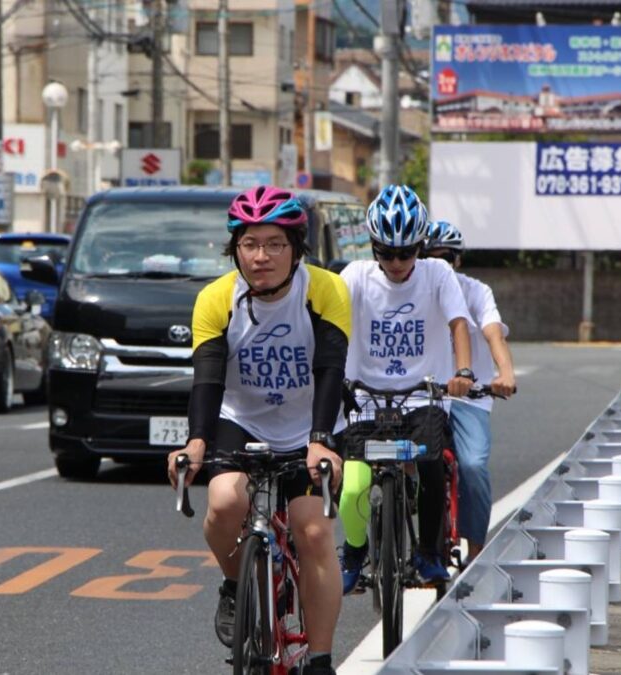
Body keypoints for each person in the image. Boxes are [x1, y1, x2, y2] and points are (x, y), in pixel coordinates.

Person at [166, 185, 350, 675]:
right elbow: (207, 377)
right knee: (225, 501)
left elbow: (331, 368)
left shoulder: (326, 290)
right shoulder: (216, 298)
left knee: (313, 531)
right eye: (250, 244)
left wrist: (322, 441)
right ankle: (233, 584)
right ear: (235, 249)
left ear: (295, 249)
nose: (261, 256)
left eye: (274, 244)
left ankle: (320, 658)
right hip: (239, 420)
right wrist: (196, 443)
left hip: (310, 424)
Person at [336, 185, 476, 595]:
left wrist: (463, 371)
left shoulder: (438, 274)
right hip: (364, 399)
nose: (397, 263)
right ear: (372, 246)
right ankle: (355, 552)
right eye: (386, 252)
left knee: (433, 468)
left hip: (422, 397)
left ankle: (429, 553)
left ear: (420, 246)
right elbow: (333, 327)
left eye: (406, 252)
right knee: (354, 487)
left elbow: (458, 324)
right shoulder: (355, 277)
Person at [422, 220, 517, 561]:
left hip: (468, 398)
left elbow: (494, 334)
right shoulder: (412, 290)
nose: (439, 265)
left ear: (458, 261)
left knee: (473, 466)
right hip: (420, 395)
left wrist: (505, 372)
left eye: (446, 258)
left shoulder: (475, 291)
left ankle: (475, 556)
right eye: (429, 257)